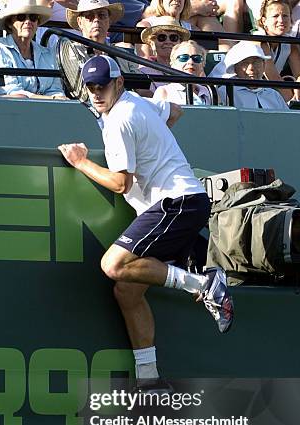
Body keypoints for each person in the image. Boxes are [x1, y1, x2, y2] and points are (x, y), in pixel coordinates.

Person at [58, 55, 234, 391]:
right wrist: (150, 143)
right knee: (126, 290)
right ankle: (149, 379)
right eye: (91, 87)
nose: (96, 93)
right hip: (183, 203)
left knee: (113, 265)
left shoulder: (121, 119)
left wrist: (81, 163)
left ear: (118, 83)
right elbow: (175, 112)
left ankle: (204, 285)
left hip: (175, 203)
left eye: (103, 86)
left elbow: (121, 183)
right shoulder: (137, 103)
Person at [0, 0, 67, 98]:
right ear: (10, 23)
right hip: (8, 110)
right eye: (21, 17)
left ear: (37, 24)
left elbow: (55, 90)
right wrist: (47, 99)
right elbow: (10, 90)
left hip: (47, 109)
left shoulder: (46, 53)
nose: (28, 22)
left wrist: (58, 98)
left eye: (33, 17)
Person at [64, 0, 147, 90]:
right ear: (80, 22)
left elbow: (143, 91)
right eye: (89, 16)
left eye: (101, 15)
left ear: (109, 21)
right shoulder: (70, 51)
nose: (96, 20)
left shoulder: (123, 55)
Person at [255, 0, 300, 102]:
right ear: (264, 21)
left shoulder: (292, 43)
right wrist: (295, 103)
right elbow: (273, 78)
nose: (281, 20)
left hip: (264, 91)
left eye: (285, 16)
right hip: (237, 90)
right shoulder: (258, 40)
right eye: (275, 16)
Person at [218, 40, 289, 109]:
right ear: (235, 67)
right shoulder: (224, 92)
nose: (251, 68)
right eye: (245, 63)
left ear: (264, 65)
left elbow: (288, 119)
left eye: (256, 62)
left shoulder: (274, 94)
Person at [153, 39, 212, 104]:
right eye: (183, 58)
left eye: (196, 58)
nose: (191, 62)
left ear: (203, 65)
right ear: (173, 64)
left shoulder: (210, 92)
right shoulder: (164, 92)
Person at [139, 17, 190, 91]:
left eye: (173, 38)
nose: (168, 41)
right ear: (152, 44)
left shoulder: (190, 65)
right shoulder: (143, 71)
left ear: (180, 43)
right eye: (162, 37)